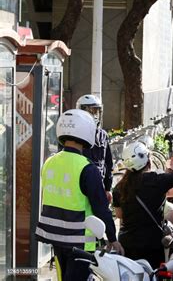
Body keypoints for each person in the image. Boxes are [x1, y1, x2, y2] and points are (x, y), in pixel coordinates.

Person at [35, 109, 123, 281]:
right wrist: (113, 239)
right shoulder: (87, 168)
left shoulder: (49, 163)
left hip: (55, 238)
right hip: (79, 242)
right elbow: (100, 207)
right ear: (87, 132)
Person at [112, 139, 173, 269]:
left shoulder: (120, 187)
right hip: (152, 243)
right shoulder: (158, 181)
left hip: (127, 243)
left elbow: (119, 215)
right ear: (148, 161)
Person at [76, 94, 113, 203]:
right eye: (91, 111)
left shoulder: (103, 135)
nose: (95, 115)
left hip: (100, 186)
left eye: (97, 111)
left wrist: (108, 188)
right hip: (82, 187)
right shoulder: (76, 134)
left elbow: (108, 163)